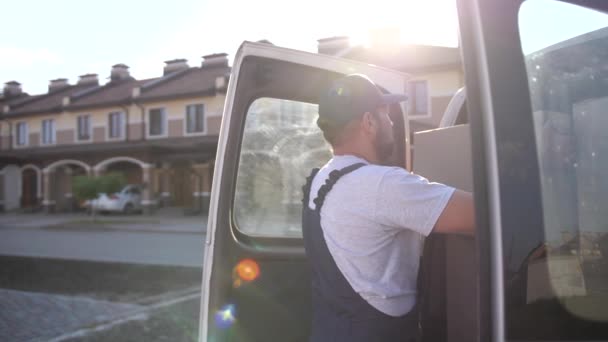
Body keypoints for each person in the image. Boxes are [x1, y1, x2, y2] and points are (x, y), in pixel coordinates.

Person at [301, 74, 475, 342]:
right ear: (369, 122)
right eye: (386, 114)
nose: (392, 122)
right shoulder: (381, 185)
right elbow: (481, 215)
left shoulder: (321, 179)